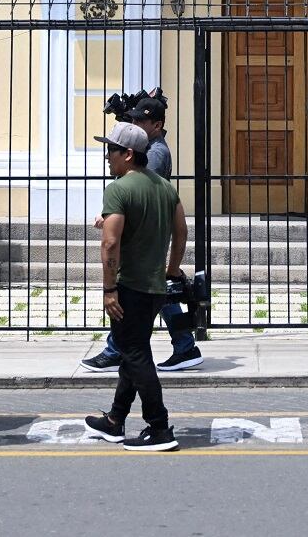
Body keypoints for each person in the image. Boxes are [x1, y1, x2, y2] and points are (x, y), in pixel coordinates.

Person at [83, 121, 187, 452]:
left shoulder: (119, 189)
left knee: (136, 353)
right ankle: (114, 420)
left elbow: (109, 243)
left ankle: (159, 427)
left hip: (128, 287)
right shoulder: (165, 188)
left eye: (110, 150)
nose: (106, 157)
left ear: (128, 154)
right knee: (133, 350)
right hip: (155, 287)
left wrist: (109, 289)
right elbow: (182, 231)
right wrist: (171, 270)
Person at [82, 93, 203, 372]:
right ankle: (183, 345)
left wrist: (115, 213)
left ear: (157, 124)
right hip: (145, 234)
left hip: (144, 236)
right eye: (133, 118)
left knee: (139, 290)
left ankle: (118, 350)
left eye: (141, 119)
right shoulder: (150, 147)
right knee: (155, 292)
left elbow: (144, 191)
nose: (135, 122)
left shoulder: (155, 154)